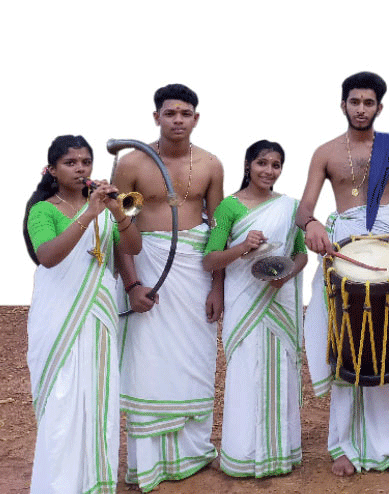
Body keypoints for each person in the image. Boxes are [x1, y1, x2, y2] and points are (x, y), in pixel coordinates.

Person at [297, 71, 389, 476]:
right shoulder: (324, 152)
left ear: (379, 107)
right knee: (347, 349)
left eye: (368, 103)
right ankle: (342, 447)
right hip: (344, 251)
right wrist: (312, 226)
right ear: (343, 105)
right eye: (354, 102)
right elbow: (306, 208)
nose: (361, 109)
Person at [113, 83, 225, 491]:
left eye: (185, 113)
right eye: (170, 112)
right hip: (149, 269)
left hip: (194, 272)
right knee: (148, 365)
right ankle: (148, 465)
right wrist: (132, 285)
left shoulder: (211, 164)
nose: (178, 120)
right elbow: (119, 227)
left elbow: (218, 230)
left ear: (196, 117)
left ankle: (193, 453)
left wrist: (217, 288)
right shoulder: (132, 164)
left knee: (195, 361)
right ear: (156, 116)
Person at [24, 135, 142, 493]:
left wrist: (117, 212)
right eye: (70, 163)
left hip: (98, 317)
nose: (80, 169)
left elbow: (133, 246)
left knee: (97, 397)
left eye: (85, 162)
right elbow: (47, 256)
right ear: (52, 170)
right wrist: (89, 213)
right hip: (59, 318)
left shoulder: (106, 207)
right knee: (61, 402)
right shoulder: (43, 210)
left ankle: (93, 482)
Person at [203, 140, 308, 477]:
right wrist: (241, 248)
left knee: (282, 373)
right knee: (247, 373)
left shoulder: (291, 207)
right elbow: (209, 260)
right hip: (245, 302)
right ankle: (243, 455)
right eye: (262, 163)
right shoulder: (228, 208)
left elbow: (301, 251)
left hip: (280, 300)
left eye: (276, 165)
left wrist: (289, 272)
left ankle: (280, 455)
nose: (269, 171)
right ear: (248, 165)